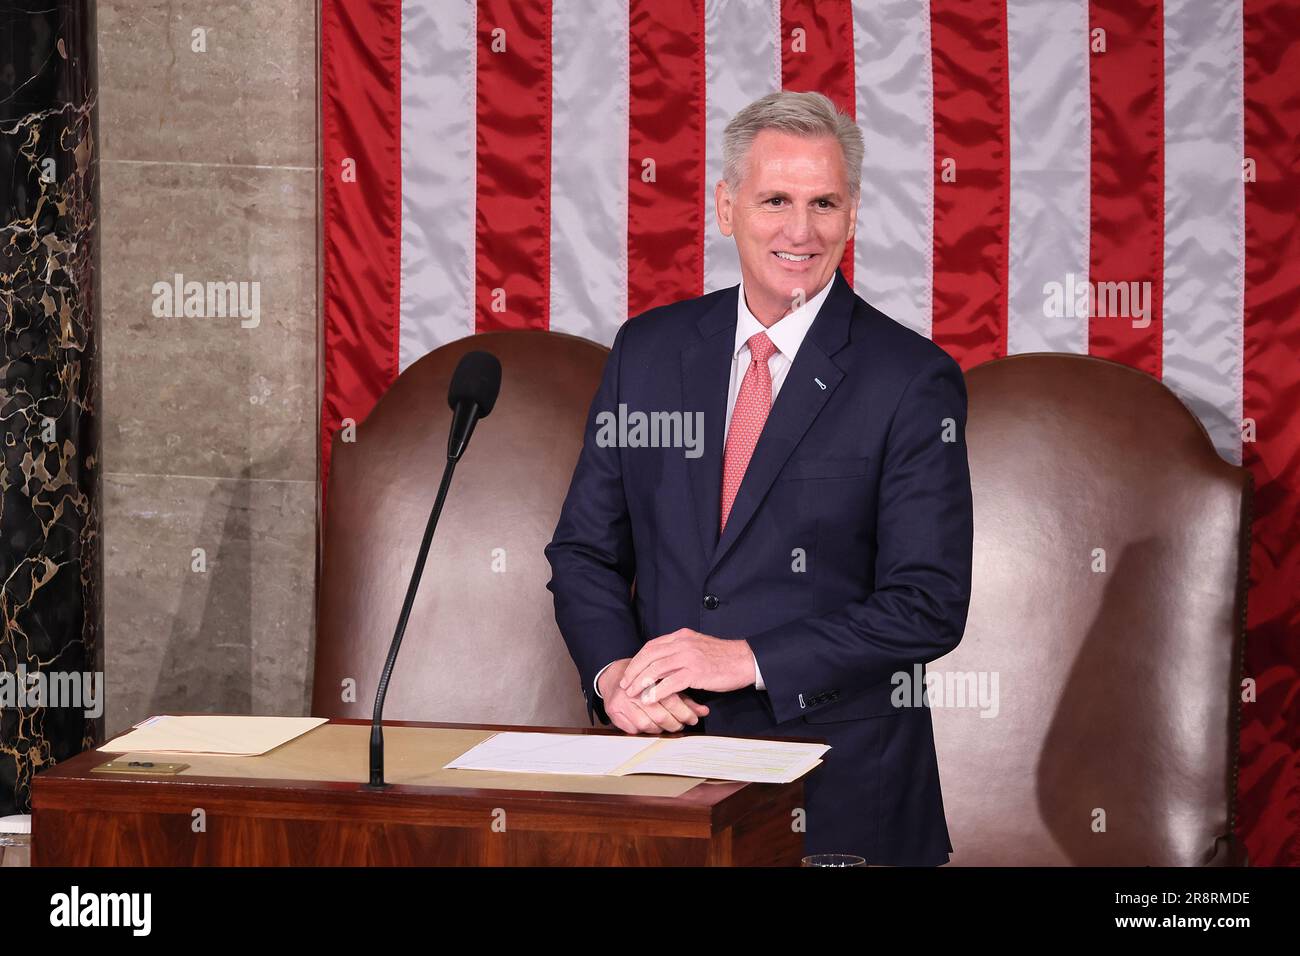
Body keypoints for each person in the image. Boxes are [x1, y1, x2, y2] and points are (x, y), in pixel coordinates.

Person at [544, 90, 973, 866]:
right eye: (775, 199)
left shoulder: (911, 379)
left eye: (824, 203)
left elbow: (928, 605)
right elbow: (584, 552)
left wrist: (745, 657)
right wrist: (613, 675)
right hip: (664, 780)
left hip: (838, 794)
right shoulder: (646, 351)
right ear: (726, 205)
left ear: (852, 216)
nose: (799, 230)